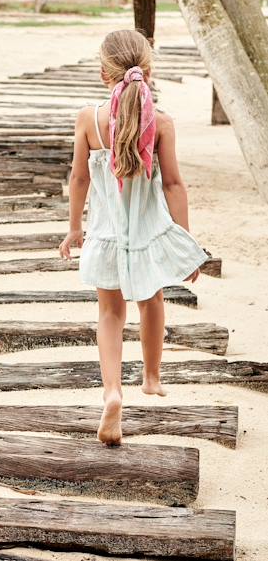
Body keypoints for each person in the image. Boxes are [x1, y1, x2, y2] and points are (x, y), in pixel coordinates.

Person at [58, 29, 208, 446]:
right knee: (152, 301)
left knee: (109, 315)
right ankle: (152, 377)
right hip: (147, 235)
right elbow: (174, 185)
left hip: (105, 235)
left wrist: (75, 229)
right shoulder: (160, 123)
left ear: (104, 74)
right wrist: (186, 246)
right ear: (149, 70)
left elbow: (79, 177)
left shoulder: (90, 119)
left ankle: (111, 393)